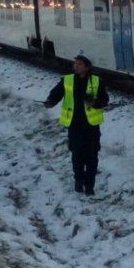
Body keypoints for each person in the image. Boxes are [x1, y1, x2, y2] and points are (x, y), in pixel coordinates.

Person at [44, 54, 109, 195]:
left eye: (79, 64)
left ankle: (90, 185)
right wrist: (50, 101)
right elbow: (56, 94)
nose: (75, 66)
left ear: (87, 67)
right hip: (74, 125)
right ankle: (78, 181)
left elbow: (104, 100)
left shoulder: (96, 81)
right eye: (75, 64)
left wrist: (95, 103)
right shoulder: (67, 80)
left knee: (92, 157)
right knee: (77, 155)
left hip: (91, 126)